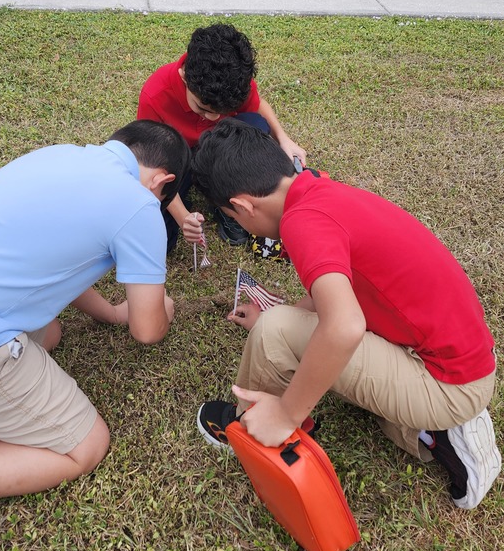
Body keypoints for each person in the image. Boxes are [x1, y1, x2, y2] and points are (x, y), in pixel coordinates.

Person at [193, 119, 501, 510]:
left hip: (448, 384)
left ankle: (252, 429)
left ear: (241, 206)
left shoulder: (302, 223)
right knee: (282, 324)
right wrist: (289, 316)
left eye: (234, 218)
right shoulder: (318, 188)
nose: (241, 225)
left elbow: (344, 325)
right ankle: (432, 433)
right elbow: (347, 297)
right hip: (459, 360)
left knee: (274, 332)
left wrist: (287, 412)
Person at [0, 120, 190, 520]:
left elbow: (58, 265)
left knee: (49, 333)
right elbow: (148, 330)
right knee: (85, 445)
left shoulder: (57, 155)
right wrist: (162, 312)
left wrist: (113, 312)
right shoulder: (138, 205)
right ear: (162, 181)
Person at [137, 22, 306, 251]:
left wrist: (284, 139)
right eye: (202, 108)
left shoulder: (232, 80)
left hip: (219, 147)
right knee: (160, 240)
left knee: (255, 125)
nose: (213, 116)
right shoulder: (155, 96)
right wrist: (182, 216)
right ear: (184, 77)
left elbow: (257, 106)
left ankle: (225, 203)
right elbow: (151, 167)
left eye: (222, 110)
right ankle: (199, 193)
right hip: (177, 157)